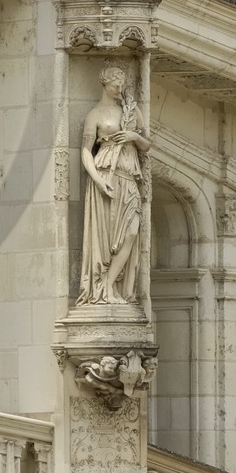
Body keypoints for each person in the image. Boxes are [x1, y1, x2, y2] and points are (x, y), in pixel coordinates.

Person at [77, 62, 150, 306]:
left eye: (123, 82)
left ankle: (111, 286)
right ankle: (104, 290)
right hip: (107, 178)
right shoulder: (95, 115)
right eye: (116, 82)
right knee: (108, 239)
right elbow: (86, 152)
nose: (120, 86)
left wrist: (134, 136)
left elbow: (146, 144)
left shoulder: (131, 110)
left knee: (131, 231)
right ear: (105, 84)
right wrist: (97, 180)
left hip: (130, 178)